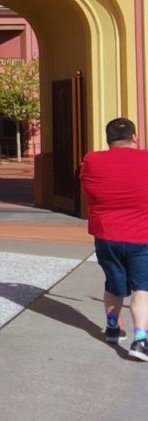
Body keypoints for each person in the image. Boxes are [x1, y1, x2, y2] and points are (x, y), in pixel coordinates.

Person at [80, 117, 148, 361]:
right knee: (142, 288)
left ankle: (112, 327)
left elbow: (88, 188)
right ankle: (140, 339)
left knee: (114, 283)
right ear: (134, 137)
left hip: (106, 235)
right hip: (141, 236)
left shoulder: (92, 160)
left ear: (108, 139)